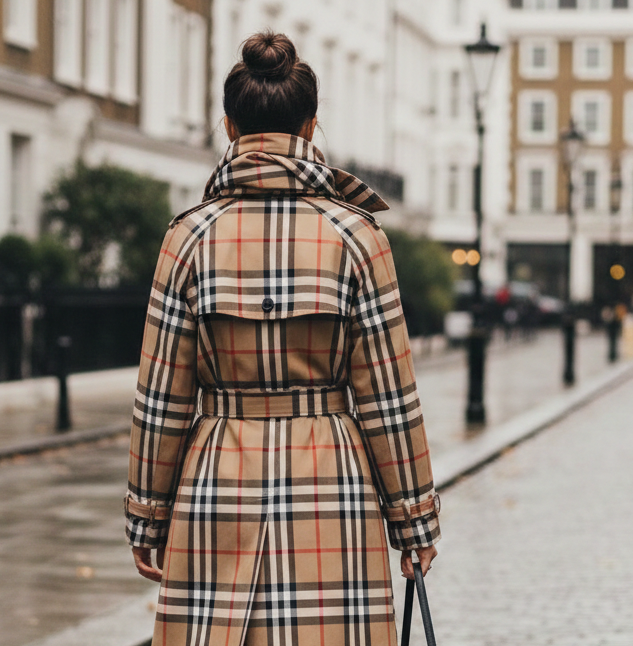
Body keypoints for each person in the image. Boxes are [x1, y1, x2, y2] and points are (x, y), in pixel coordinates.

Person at [123, 32, 440, 645]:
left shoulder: (188, 238)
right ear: (312, 126)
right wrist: (414, 522)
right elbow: (389, 400)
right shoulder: (357, 237)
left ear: (227, 126)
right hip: (331, 480)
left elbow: (160, 401)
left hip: (218, 476)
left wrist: (147, 516)